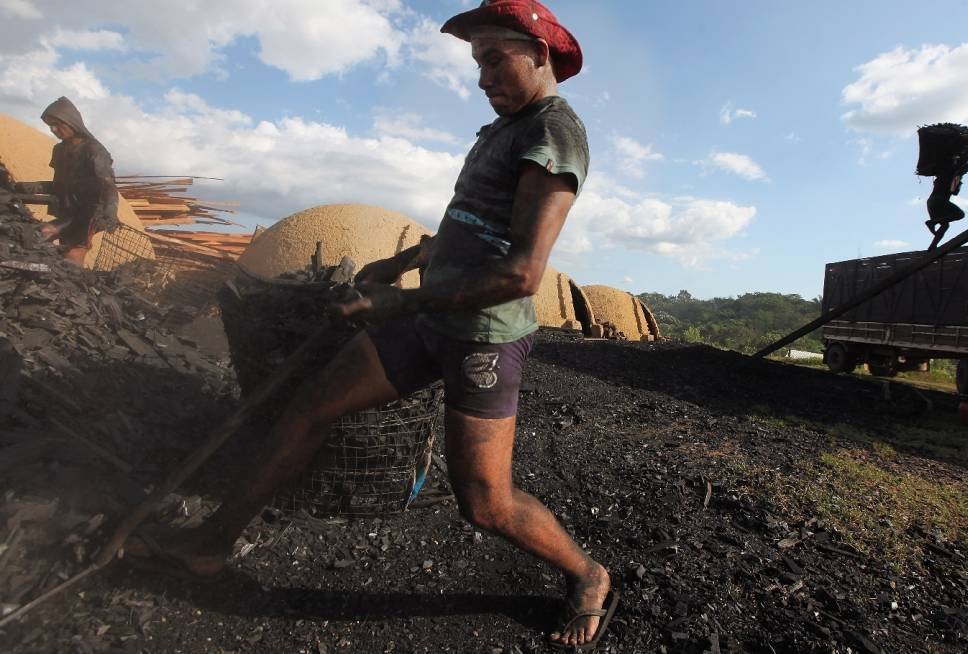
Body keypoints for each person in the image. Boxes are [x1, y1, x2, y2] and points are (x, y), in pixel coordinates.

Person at [124, 1, 617, 649]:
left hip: (483, 338)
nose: (482, 77)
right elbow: (472, 223)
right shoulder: (502, 129)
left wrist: (395, 304)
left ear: (540, 53)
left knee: (485, 503)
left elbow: (522, 273)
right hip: (432, 317)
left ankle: (588, 575)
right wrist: (404, 261)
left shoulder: (555, 132)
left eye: (495, 59)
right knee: (309, 407)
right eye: (476, 63)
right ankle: (212, 543)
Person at [14, 97, 120, 266]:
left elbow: (107, 184)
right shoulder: (59, 150)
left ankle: (75, 286)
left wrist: (111, 210)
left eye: (57, 124)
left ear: (71, 122)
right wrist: (33, 187)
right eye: (50, 126)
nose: (54, 130)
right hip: (67, 210)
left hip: (89, 214)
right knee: (47, 240)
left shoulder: (93, 150)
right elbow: (61, 185)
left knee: (69, 251)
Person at [924, 162, 968, 251]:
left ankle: (932, 246)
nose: (965, 173)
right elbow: (954, 192)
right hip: (940, 200)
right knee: (960, 215)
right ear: (962, 170)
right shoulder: (955, 177)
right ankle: (933, 222)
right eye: (965, 171)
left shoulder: (943, 175)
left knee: (945, 225)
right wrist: (959, 181)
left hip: (931, 201)